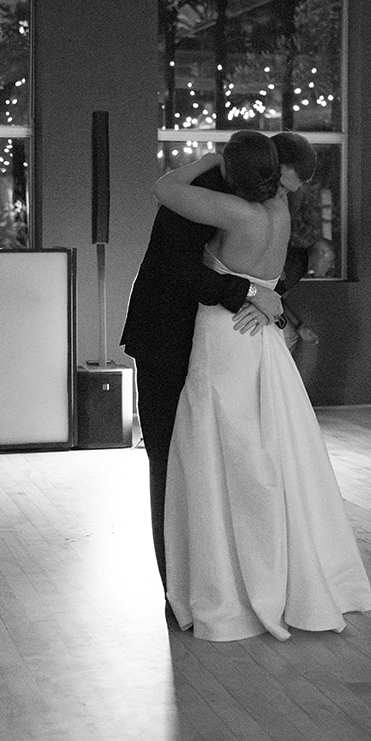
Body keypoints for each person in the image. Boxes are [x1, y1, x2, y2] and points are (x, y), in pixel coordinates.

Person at [154, 133, 371, 641]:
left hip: (222, 335)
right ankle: (284, 575)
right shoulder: (279, 210)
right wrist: (262, 295)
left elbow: (164, 187)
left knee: (221, 458)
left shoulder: (236, 213)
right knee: (270, 453)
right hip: (262, 338)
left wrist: (205, 160)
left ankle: (231, 584)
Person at [120, 132, 314, 589]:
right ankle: (179, 586)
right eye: (286, 182)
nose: (287, 193)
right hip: (167, 339)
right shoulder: (204, 192)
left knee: (238, 459)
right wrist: (250, 291)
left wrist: (267, 296)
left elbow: (290, 261)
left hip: (232, 339)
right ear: (269, 165)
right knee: (171, 462)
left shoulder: (266, 200)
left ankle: (236, 578)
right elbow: (178, 268)